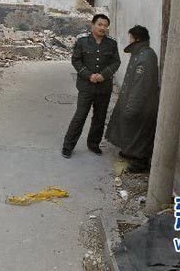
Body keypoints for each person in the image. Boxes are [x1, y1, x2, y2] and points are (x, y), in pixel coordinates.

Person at [62, 14, 121, 158]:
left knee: (99, 118)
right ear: (92, 25)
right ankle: (68, 146)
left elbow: (116, 62)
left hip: (104, 87)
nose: (102, 28)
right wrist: (89, 75)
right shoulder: (82, 42)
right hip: (86, 87)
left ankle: (93, 144)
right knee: (80, 116)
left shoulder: (111, 44)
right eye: (99, 24)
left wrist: (103, 75)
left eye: (105, 25)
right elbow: (76, 60)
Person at [105, 25, 160, 173]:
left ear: (137, 39)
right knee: (131, 130)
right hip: (133, 100)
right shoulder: (140, 53)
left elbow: (140, 86)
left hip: (142, 104)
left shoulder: (145, 57)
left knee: (140, 133)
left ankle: (141, 161)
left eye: (130, 38)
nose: (129, 40)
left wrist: (132, 106)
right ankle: (130, 152)